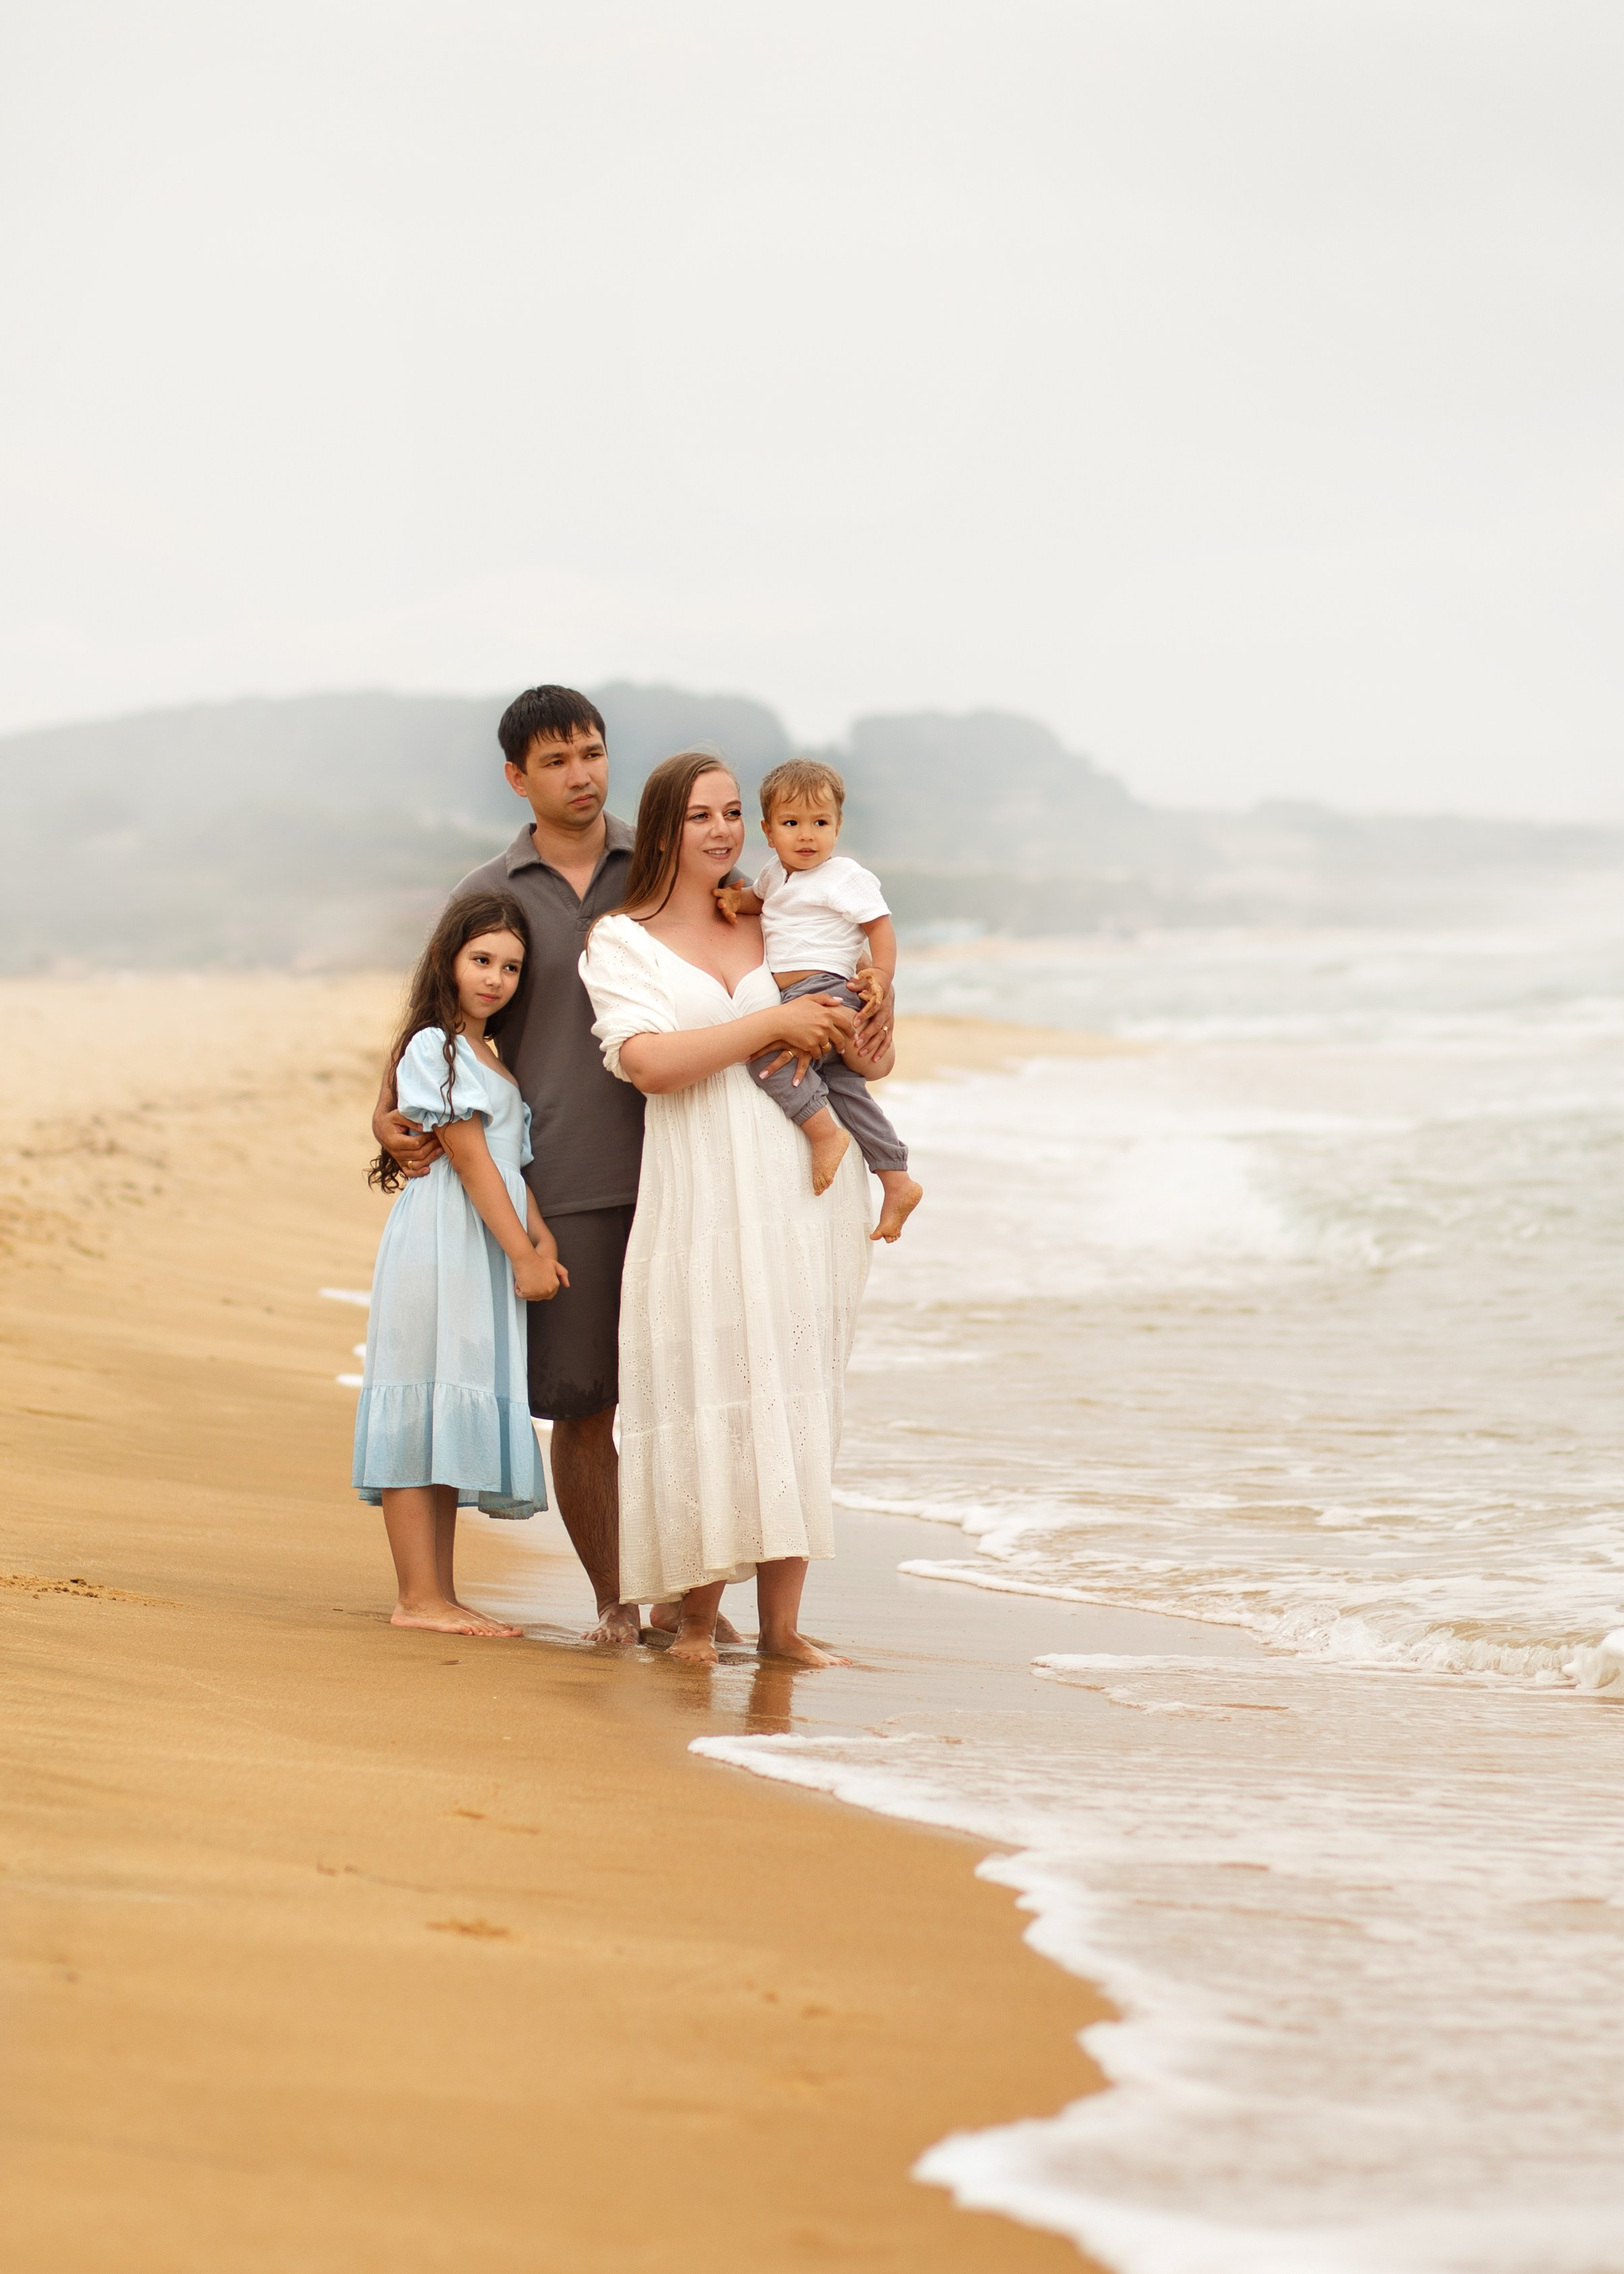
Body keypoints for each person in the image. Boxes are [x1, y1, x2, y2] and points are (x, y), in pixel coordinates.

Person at [370, 687, 893, 1643]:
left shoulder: (663, 863)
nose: (581, 774)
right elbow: (441, 1005)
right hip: (568, 1170)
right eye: (558, 760)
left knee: (696, 1377)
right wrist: (387, 1107)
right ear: (516, 778)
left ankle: (690, 1600)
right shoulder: (494, 885)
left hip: (698, 1165)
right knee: (584, 1399)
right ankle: (618, 1599)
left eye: (593, 753)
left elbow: (799, 958)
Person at [579, 751, 879, 1667]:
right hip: (704, 1191)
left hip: (807, 1184)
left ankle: (784, 1627)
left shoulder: (778, 920)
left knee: (795, 1386)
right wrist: (770, 1025)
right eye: (701, 814)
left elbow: (860, 1060)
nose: (724, 830)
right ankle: (696, 1619)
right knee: (715, 1384)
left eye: (735, 812)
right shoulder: (619, 940)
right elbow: (649, 1063)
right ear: (663, 826)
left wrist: (873, 1018)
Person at [354, 891, 567, 1637]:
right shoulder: (434, 1045)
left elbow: (511, 1168)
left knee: (449, 1396)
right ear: (448, 958)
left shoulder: (488, 1057)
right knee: (422, 1396)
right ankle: (417, 1596)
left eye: (511, 966)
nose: (495, 978)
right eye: (481, 959)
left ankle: (436, 1592)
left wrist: (539, 1241)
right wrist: (520, 1249)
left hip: (483, 1234)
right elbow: (470, 1157)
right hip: (446, 1237)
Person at [715, 756, 923, 1243]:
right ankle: (897, 1178)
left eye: (820, 823)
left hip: (829, 990)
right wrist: (734, 901)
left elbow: (880, 928)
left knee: (767, 1056)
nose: (807, 835)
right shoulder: (772, 875)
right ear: (768, 830)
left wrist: (882, 977)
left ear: (838, 826)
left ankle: (824, 1135)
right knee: (846, 1088)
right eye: (792, 824)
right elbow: (761, 903)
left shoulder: (844, 875)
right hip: (796, 996)